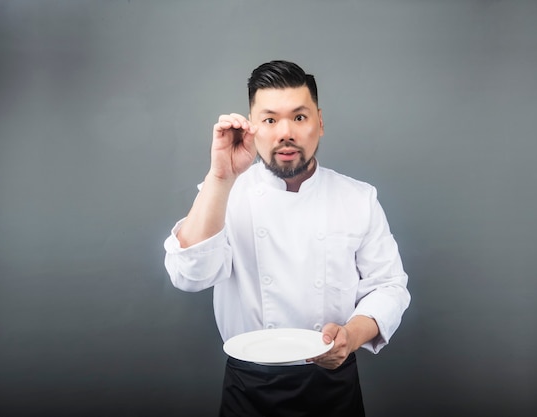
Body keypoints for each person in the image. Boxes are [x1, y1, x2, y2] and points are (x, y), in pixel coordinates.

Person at [164, 60, 410, 417]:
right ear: (252, 128)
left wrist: (350, 337)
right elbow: (189, 276)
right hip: (249, 385)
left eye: (299, 117)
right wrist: (220, 177)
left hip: (332, 384)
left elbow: (389, 286)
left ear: (320, 123)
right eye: (269, 120)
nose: (285, 133)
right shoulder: (224, 192)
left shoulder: (358, 198)